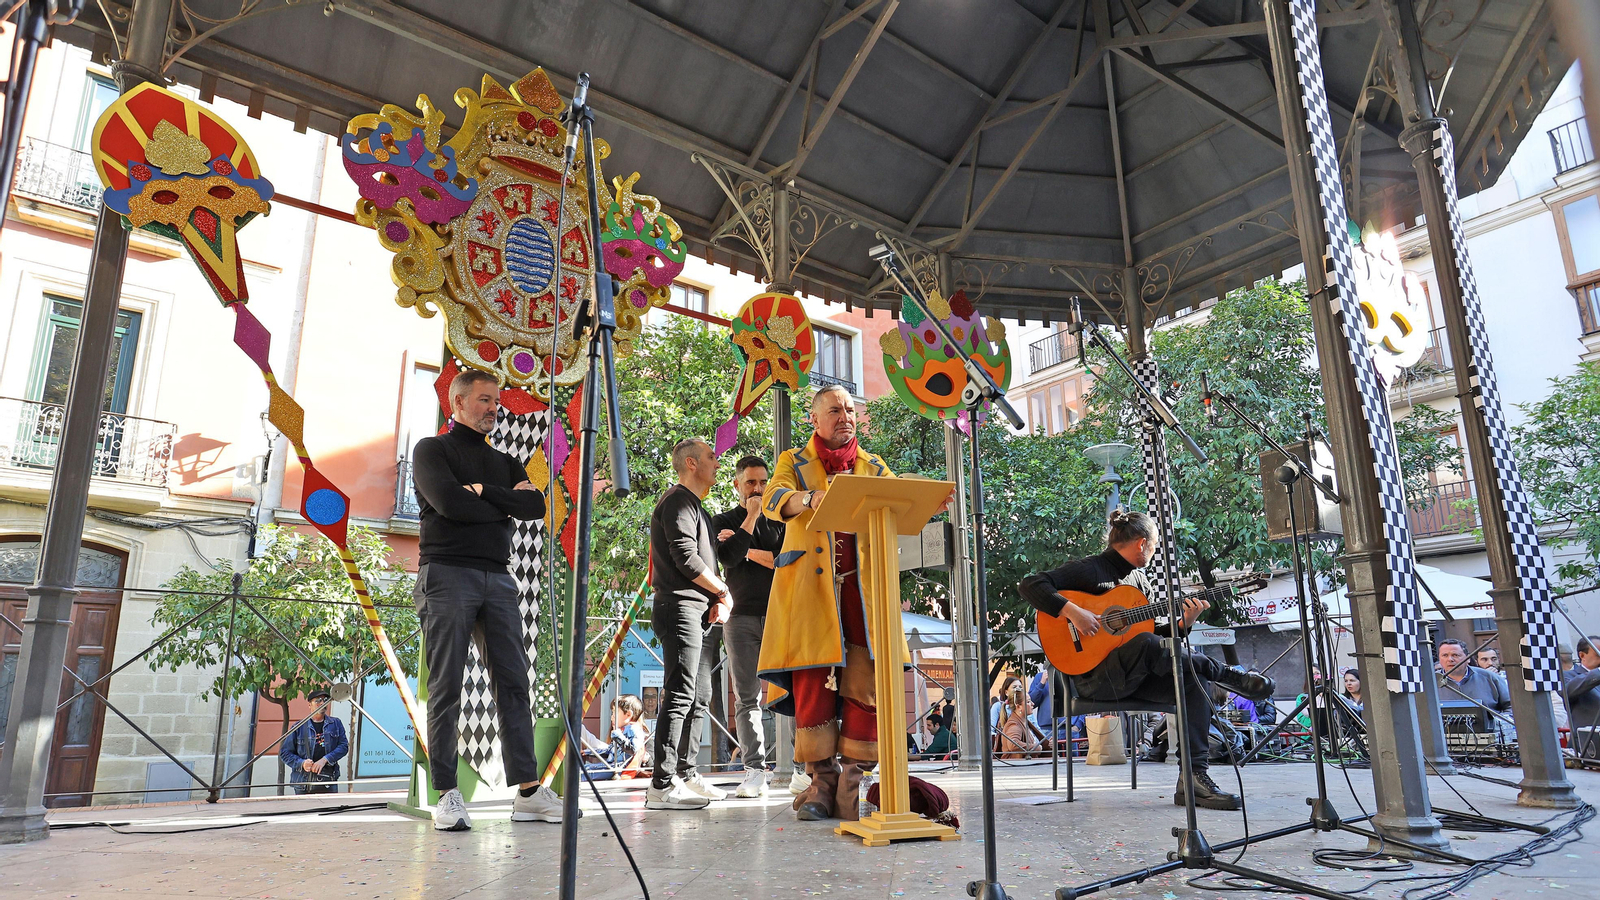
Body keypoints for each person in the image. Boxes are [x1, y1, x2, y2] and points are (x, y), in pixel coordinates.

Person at [758, 384, 952, 822]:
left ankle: (850, 786)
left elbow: (901, 503)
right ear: (815, 419)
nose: (845, 416)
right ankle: (820, 786)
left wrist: (930, 504)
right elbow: (773, 499)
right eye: (835, 410)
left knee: (867, 687)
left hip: (865, 598)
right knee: (812, 687)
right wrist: (808, 499)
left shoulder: (873, 465)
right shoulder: (793, 461)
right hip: (810, 595)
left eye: (849, 409)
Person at [1018, 510, 1275, 811]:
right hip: (1093, 678)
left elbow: (1152, 635)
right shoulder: (1091, 570)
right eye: (1154, 547)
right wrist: (1075, 612)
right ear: (1142, 544)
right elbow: (1030, 585)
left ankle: (1194, 779)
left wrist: (1183, 625)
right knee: (1150, 646)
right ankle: (1231, 676)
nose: (1153, 554)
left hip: (1134, 676)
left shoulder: (1140, 581)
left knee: (1194, 678)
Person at [411, 368, 552, 831]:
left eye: (496, 401)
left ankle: (529, 792)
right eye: (485, 399)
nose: (494, 407)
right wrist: (502, 503)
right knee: (447, 686)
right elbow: (451, 505)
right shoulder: (432, 450)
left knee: (513, 682)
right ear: (458, 402)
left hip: (498, 577)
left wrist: (485, 493)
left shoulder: (506, 463)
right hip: (447, 573)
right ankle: (447, 795)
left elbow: (536, 507)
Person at [646, 437, 732, 810]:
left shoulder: (696, 507)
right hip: (680, 608)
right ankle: (661, 785)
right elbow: (686, 558)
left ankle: (685, 773)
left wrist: (714, 598)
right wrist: (724, 591)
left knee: (699, 696)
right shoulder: (678, 501)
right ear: (692, 464)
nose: (718, 462)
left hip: (696, 610)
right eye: (712, 457)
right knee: (680, 694)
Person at [712, 455, 786, 799]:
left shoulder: (780, 522)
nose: (757, 489)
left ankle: (801, 766)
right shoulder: (721, 520)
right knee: (747, 698)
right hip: (739, 617)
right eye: (750, 482)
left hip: (779, 615)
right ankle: (755, 770)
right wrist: (751, 521)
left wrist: (746, 549)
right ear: (737, 484)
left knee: (793, 691)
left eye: (762, 482)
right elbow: (725, 558)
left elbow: (785, 561)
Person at [281, 688, 348, 794]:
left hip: (328, 780)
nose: (322, 703)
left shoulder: (335, 723)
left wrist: (325, 759)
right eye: (318, 700)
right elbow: (285, 753)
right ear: (309, 705)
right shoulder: (299, 727)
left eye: (325, 700)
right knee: (305, 810)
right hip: (303, 781)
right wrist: (302, 763)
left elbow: (344, 746)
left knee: (330, 810)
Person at [1436, 639, 1512, 732]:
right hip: (1446, 739)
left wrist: (1497, 724)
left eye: (1455, 655)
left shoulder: (1490, 678)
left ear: (1468, 658)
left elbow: (1511, 707)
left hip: (1490, 739)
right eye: (1445, 655)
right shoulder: (1431, 682)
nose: (1450, 659)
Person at [583, 694, 651, 778]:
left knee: (585, 772)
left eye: (615, 713)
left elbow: (633, 749)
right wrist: (588, 752)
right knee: (584, 769)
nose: (612, 717)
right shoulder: (622, 731)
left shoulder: (634, 730)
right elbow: (609, 750)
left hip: (619, 767)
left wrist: (618, 736)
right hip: (612, 765)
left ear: (628, 715)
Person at [1564, 636, 1600, 758]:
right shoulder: (1569, 676)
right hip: (1588, 746)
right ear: (1582, 655)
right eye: (1598, 654)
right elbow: (1568, 690)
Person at [999, 677, 1041, 758]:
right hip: (1018, 768)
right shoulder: (1014, 724)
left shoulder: (1024, 721)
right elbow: (1013, 744)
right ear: (1018, 706)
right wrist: (1036, 748)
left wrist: (1048, 744)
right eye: (1028, 702)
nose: (1033, 704)